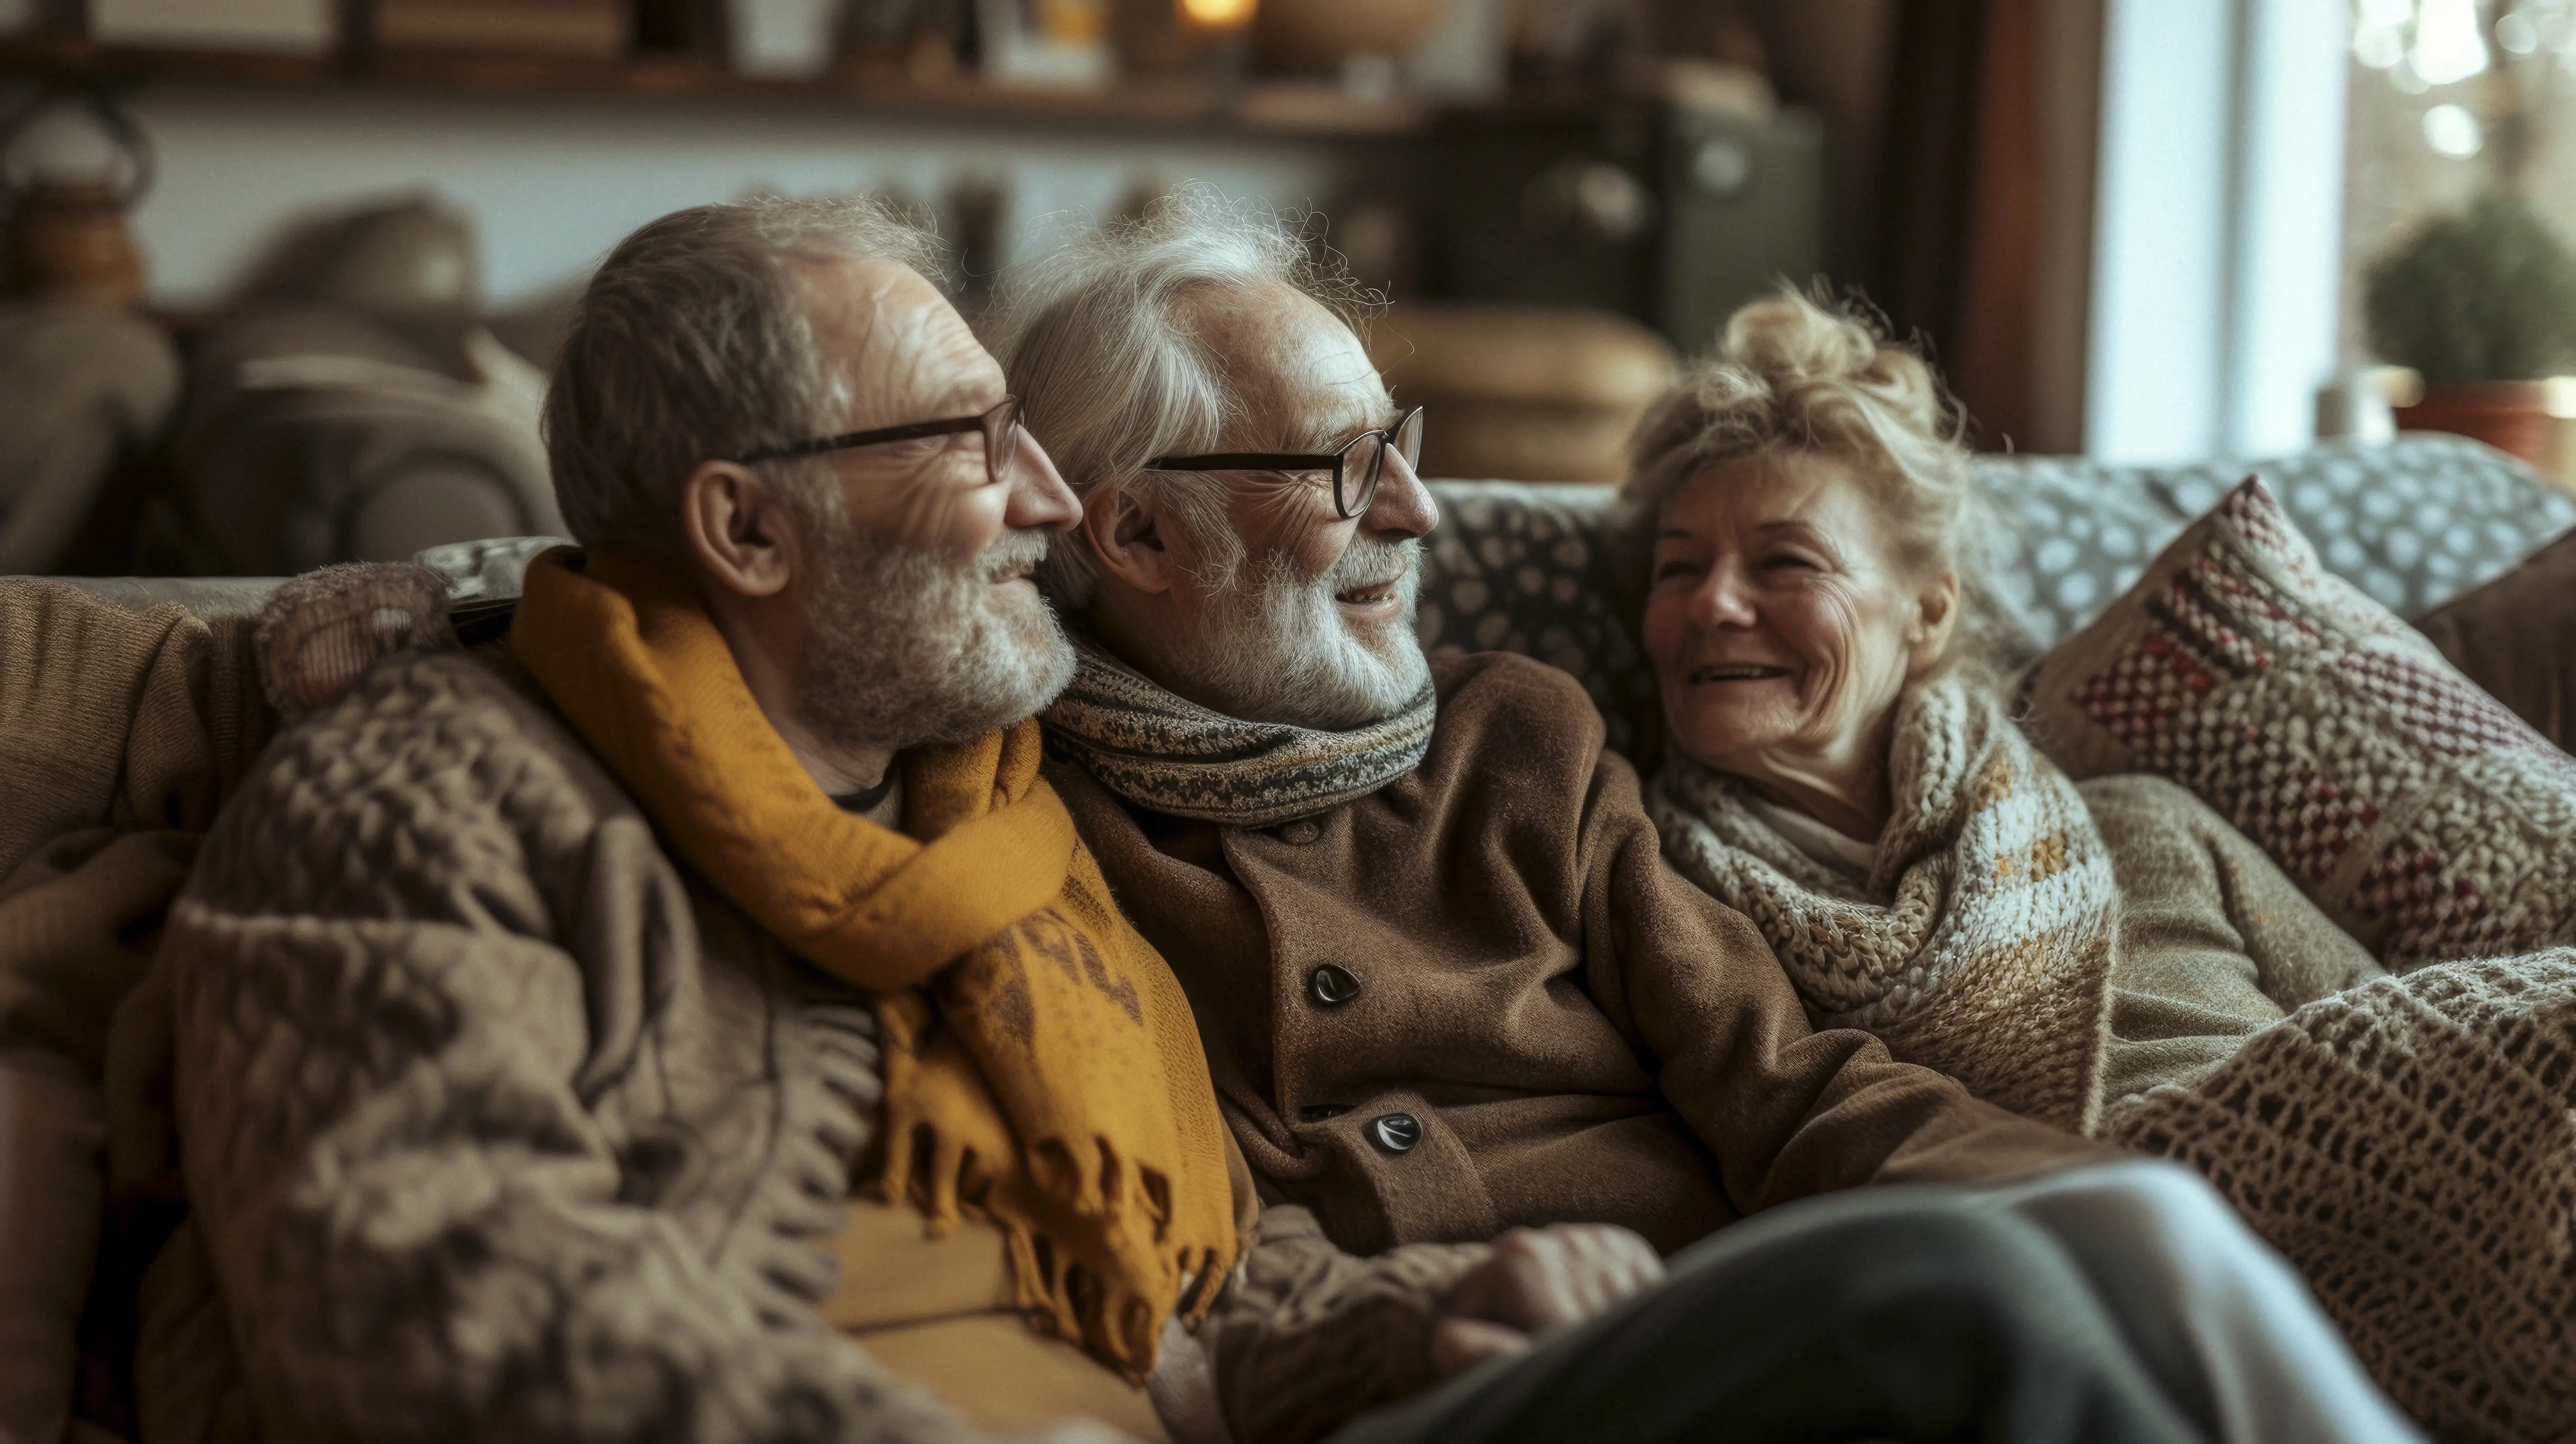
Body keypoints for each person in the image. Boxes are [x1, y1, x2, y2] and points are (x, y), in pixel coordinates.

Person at [134, 195, 1626, 1444]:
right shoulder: (428, 801)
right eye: (974, 442)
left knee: (1811, 1316)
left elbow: (1204, 1306)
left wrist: (1437, 1319)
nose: (1052, 501)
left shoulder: (1003, 818)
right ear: (746, 528)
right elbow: (421, 1303)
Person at [995, 188, 2422, 1444]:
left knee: (2133, 1235)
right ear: (1134, 535)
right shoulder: (1028, 838)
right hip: (1421, 1379)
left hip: (1718, 1322)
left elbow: (1781, 1079)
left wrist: (2092, 1190)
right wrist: (1427, 1308)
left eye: (1402, 445)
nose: (1422, 514)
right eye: (1346, 468)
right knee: (1981, 1293)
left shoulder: (1518, 737)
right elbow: (1170, 1254)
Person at [1624, 285, 2574, 1438]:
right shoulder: (1661, 912)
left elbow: (2412, 1039)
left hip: (2408, 1221)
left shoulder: (2140, 820)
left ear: (1925, 614)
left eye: (1784, 563)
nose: (1715, 604)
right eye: (1678, 569)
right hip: (2128, 1297)